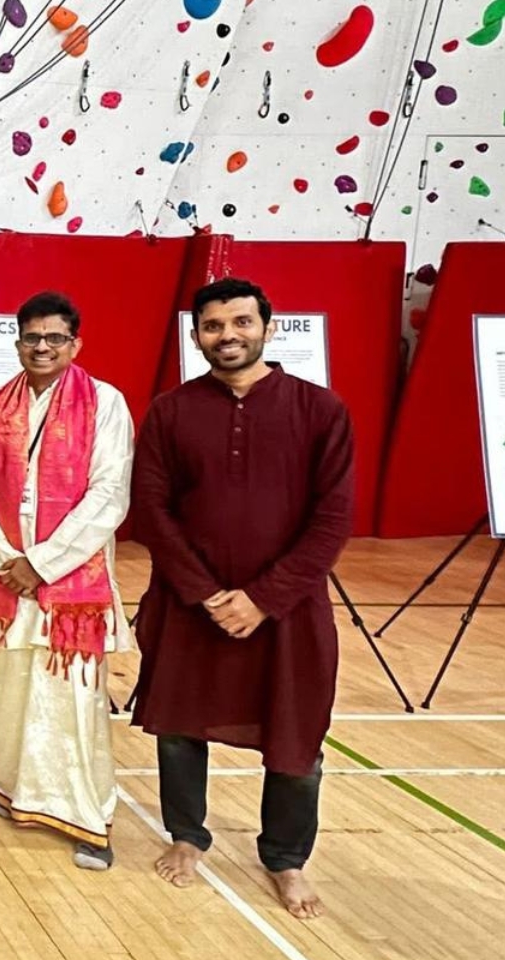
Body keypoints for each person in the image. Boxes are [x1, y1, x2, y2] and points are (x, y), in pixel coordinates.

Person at [131, 277, 354, 919]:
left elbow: (333, 518)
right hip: (189, 603)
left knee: (296, 733)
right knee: (179, 726)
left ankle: (286, 858)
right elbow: (151, 508)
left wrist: (263, 598)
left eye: (241, 322)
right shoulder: (171, 411)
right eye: (213, 326)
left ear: (268, 328)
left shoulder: (319, 410)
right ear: (196, 336)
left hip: (287, 611)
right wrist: (205, 593)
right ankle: (185, 835)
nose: (227, 335)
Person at [0, 291, 133, 868]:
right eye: (32, 337)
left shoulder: (105, 403)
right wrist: (9, 561)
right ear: (17, 344)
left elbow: (110, 494)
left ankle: (86, 818)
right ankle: (15, 792)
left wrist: (44, 564)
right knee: (10, 692)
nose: (42, 347)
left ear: (75, 344)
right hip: (8, 576)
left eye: (55, 338)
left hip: (70, 583)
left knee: (73, 701)